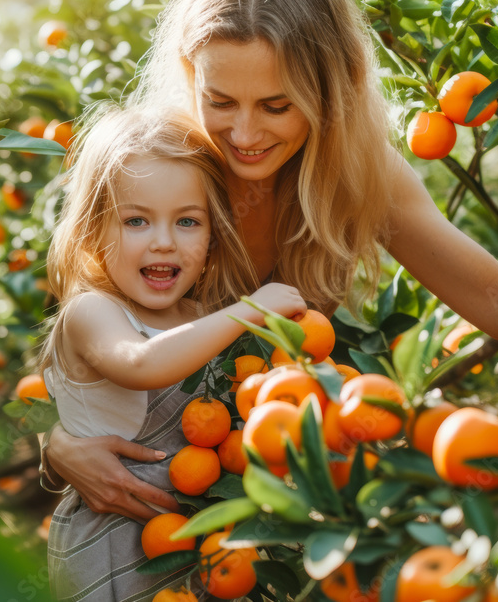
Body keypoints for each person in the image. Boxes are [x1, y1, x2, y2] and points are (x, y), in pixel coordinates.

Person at [42, 0, 498, 524]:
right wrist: (55, 447)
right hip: (160, 508)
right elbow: (79, 337)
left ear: (333, 89)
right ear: (190, 74)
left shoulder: (359, 175)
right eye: (221, 100)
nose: (245, 133)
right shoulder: (169, 168)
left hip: (278, 503)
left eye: (278, 106)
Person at [41, 104, 305, 601]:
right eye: (136, 221)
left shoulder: (201, 315)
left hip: (195, 547)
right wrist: (250, 310)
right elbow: (143, 363)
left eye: (187, 222)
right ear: (95, 230)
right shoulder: (91, 312)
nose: (164, 243)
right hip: (112, 547)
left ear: (212, 234)